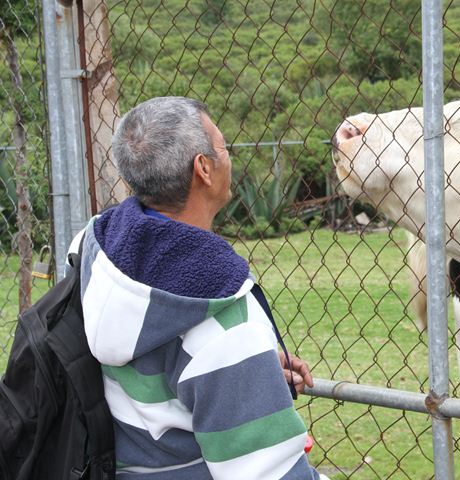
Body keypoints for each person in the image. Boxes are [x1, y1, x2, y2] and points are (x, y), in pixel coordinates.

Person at [71, 97, 326, 479]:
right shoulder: (221, 320)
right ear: (203, 168)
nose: (228, 156)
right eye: (222, 147)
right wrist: (235, 357)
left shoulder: (93, 252)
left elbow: (155, 367)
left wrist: (247, 372)